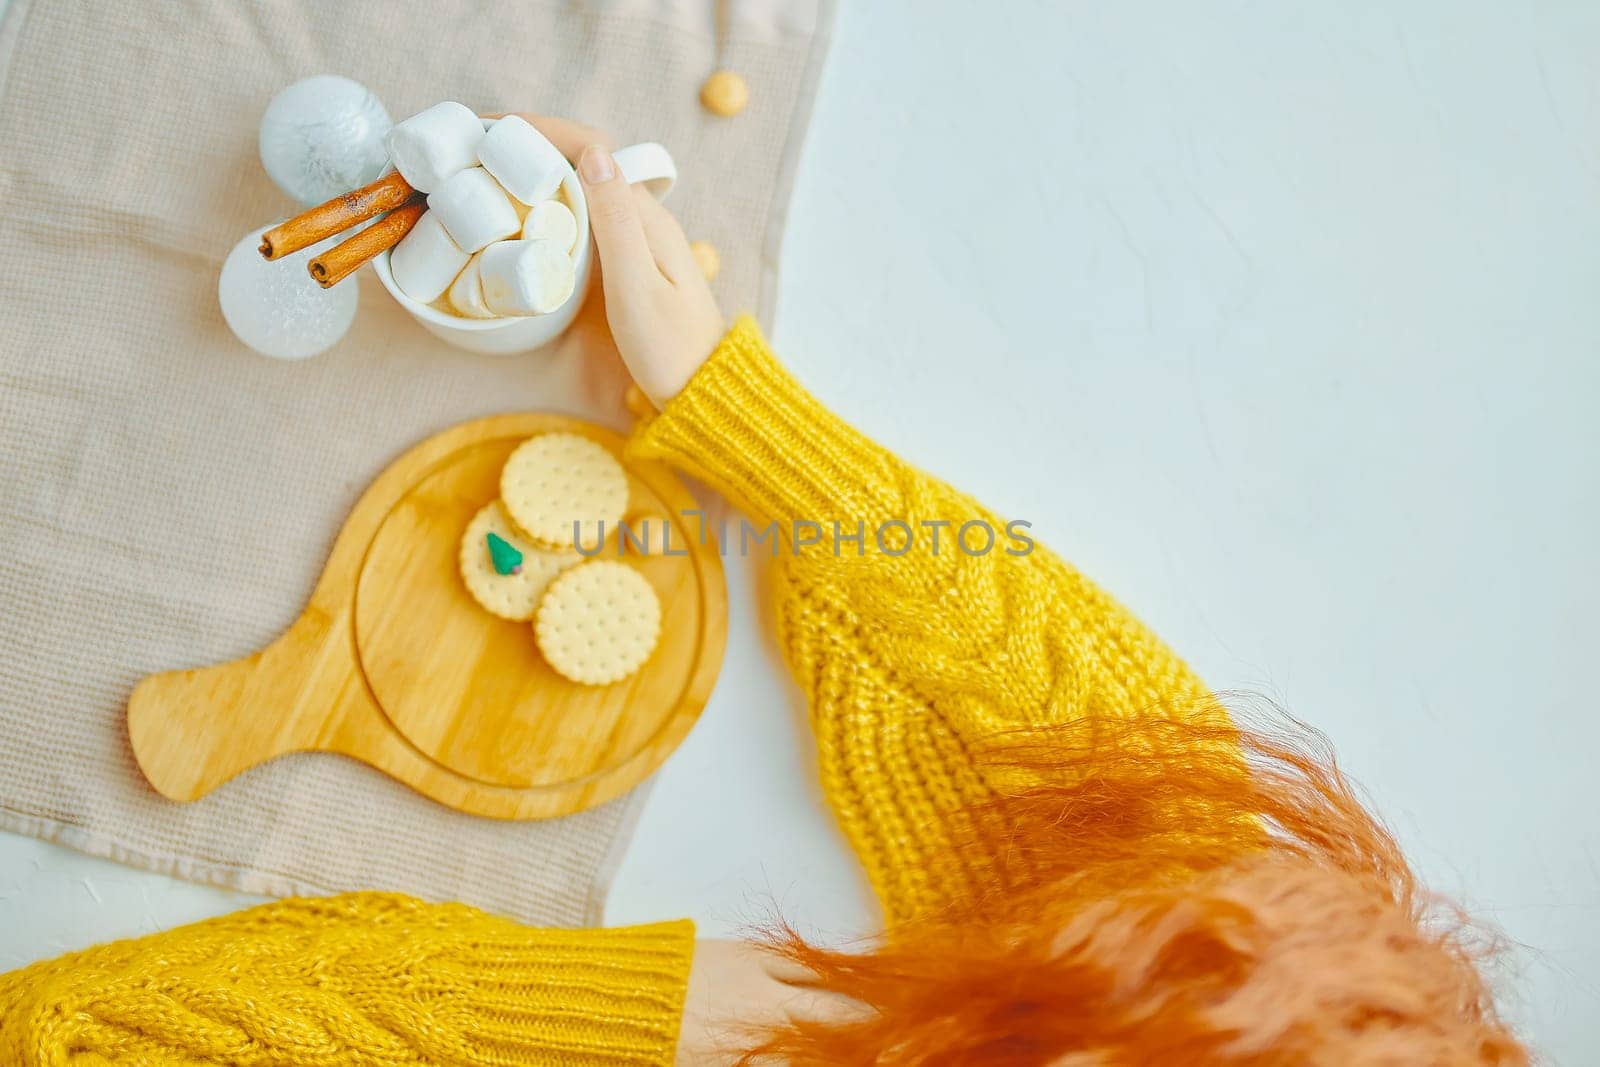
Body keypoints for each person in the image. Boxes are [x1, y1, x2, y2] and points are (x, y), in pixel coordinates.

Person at [0, 117, 1528, 1066]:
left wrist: (729, 1025)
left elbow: (67, 1035)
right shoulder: (1245, 946)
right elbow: (1054, 687)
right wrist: (738, 410)